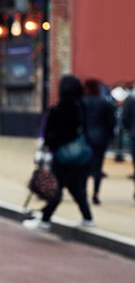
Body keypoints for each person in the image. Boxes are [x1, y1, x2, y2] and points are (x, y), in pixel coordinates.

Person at [24, 75, 95, 231]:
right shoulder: (80, 105)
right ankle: (87, 217)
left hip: (63, 154)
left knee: (55, 187)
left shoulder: (63, 107)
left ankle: (45, 218)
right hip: (80, 153)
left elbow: (59, 131)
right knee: (75, 187)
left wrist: (50, 144)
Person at [81, 78, 116, 204]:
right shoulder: (105, 103)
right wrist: (110, 135)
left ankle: (83, 192)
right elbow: (111, 121)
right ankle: (95, 194)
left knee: (84, 167)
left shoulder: (82, 102)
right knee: (98, 167)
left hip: (85, 138)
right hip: (101, 138)